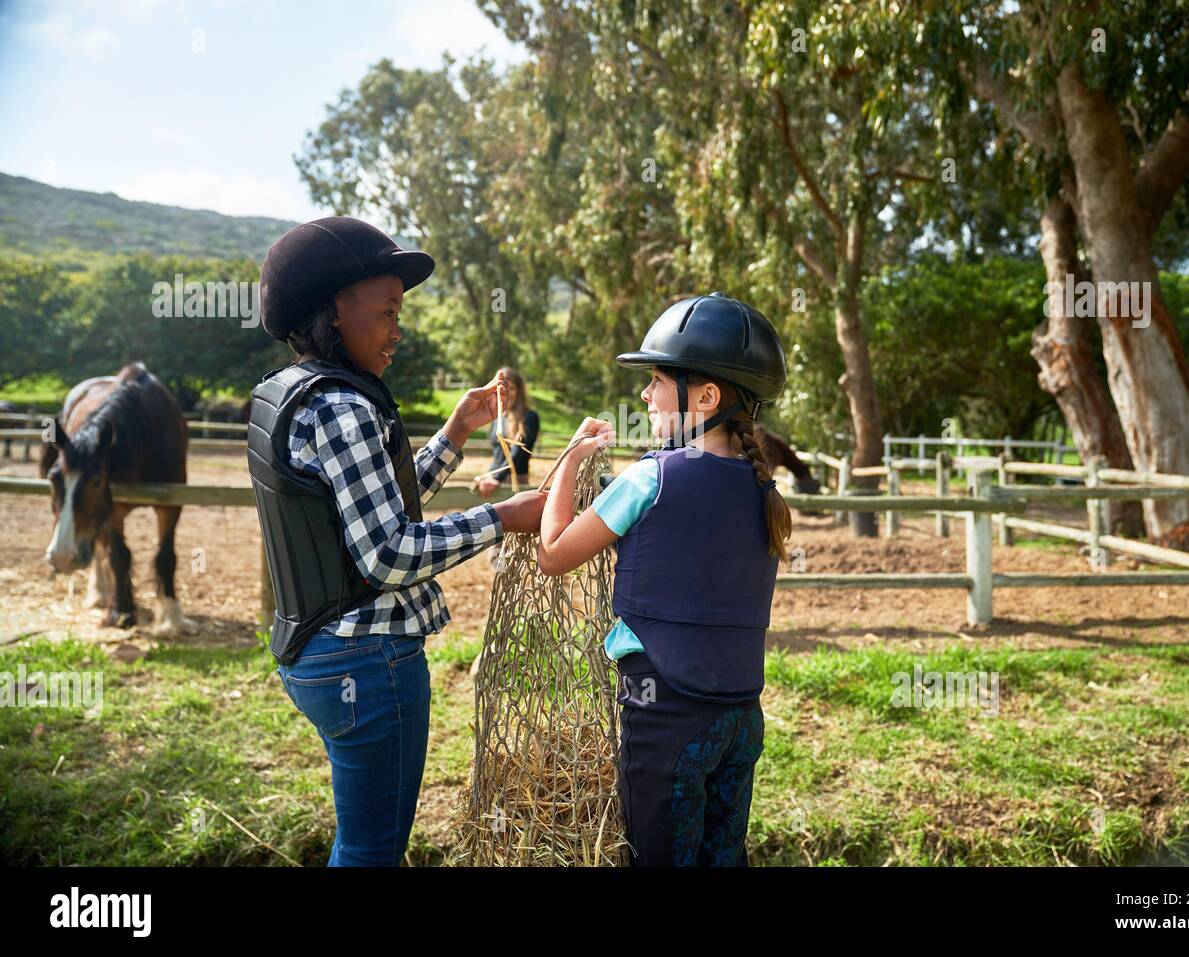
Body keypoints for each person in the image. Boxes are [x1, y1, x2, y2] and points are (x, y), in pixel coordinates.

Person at [247, 216, 546, 866]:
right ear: (333, 310)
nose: (397, 331)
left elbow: (368, 502)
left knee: (359, 841)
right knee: (372, 851)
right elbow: (387, 554)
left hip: (313, 655)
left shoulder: (292, 394)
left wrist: (455, 433)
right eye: (386, 312)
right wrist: (506, 517)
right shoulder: (345, 408)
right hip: (369, 662)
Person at [535, 291, 790, 866]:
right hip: (740, 716)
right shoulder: (763, 487)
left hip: (665, 715)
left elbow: (553, 554)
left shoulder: (650, 477)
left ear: (705, 396)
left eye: (656, 379)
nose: (646, 394)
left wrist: (573, 458)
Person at [475, 366, 541, 497]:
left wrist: (497, 478)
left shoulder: (529, 417)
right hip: (492, 478)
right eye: (502, 387)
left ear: (519, 391)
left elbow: (517, 452)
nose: (506, 392)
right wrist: (488, 476)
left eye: (511, 388)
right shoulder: (498, 417)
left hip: (514, 483)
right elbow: (498, 455)